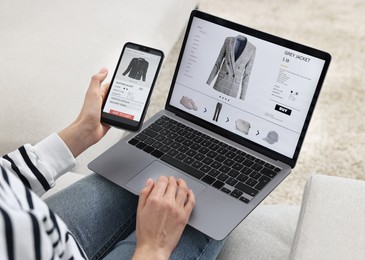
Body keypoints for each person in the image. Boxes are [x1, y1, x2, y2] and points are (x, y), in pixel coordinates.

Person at [0, 68, 225, 259]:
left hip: (30, 226)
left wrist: (80, 133)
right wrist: (152, 249)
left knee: (141, 168)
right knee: (210, 207)